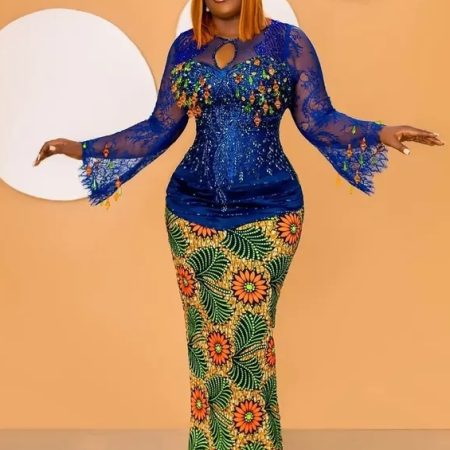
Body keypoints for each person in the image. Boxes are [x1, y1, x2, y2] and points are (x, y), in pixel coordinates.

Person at [33, 0, 444, 448]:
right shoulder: (185, 48)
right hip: (190, 215)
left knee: (248, 343)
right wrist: (83, 148)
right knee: (206, 342)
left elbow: (319, 120)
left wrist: (378, 132)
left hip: (269, 213)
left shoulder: (288, 43)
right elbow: (158, 128)